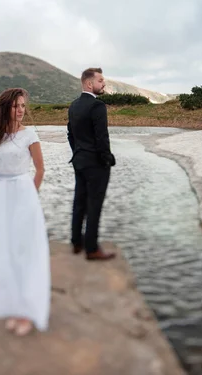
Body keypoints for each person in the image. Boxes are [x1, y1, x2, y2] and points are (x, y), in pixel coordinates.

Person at [0, 88, 51, 336]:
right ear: (5, 108)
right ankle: (12, 305)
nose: (20, 110)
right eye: (15, 106)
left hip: (23, 193)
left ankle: (27, 310)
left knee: (24, 253)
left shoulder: (30, 134)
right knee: (4, 252)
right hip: (1, 195)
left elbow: (40, 170)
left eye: (23, 106)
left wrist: (30, 198)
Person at [66, 67, 116, 261]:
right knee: (94, 205)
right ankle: (92, 249)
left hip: (79, 161)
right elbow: (102, 137)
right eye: (100, 80)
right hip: (95, 164)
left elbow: (71, 135)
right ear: (89, 84)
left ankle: (76, 241)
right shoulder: (98, 106)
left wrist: (78, 152)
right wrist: (107, 158)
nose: (103, 83)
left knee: (79, 202)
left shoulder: (73, 106)